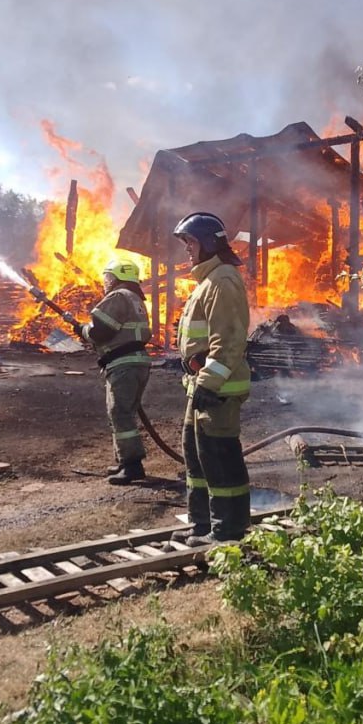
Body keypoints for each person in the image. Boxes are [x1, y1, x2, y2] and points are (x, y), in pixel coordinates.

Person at [171, 211, 251, 545]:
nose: (187, 248)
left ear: (205, 243)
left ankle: (228, 531)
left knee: (219, 456)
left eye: (190, 241)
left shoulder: (222, 280)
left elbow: (229, 340)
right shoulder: (207, 280)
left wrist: (209, 383)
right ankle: (202, 524)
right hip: (202, 384)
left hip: (218, 387)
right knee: (196, 454)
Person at [72, 257, 153, 485]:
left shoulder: (117, 296)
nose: (105, 282)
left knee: (120, 412)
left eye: (108, 277)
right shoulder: (135, 298)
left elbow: (101, 332)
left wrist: (83, 330)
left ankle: (132, 466)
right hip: (136, 362)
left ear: (117, 277)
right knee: (123, 411)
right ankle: (124, 460)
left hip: (123, 364)